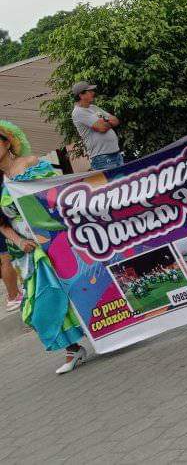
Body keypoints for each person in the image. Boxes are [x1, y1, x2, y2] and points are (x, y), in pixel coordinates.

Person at [0, 120, 87, 374]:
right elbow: (2, 224)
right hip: (29, 251)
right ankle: (72, 348)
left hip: (57, 237)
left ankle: (108, 330)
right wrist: (20, 241)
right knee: (45, 299)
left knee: (79, 284)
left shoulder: (31, 163)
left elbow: (57, 194)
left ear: (7, 142)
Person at [70, 82, 124, 171]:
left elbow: (116, 120)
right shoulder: (78, 112)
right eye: (89, 91)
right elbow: (102, 128)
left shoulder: (94, 107)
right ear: (81, 95)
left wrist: (104, 121)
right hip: (102, 158)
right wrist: (107, 121)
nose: (93, 93)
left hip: (116, 154)